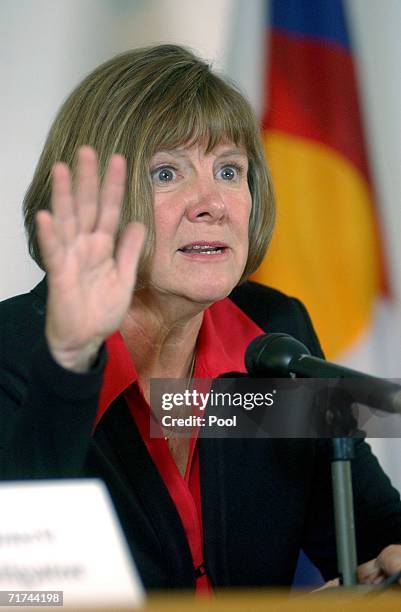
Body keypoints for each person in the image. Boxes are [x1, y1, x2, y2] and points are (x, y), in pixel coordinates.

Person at [1, 43, 401, 593]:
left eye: (230, 171)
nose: (212, 202)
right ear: (92, 201)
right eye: (167, 172)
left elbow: (372, 528)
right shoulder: (13, 355)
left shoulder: (271, 339)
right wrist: (70, 367)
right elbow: (22, 581)